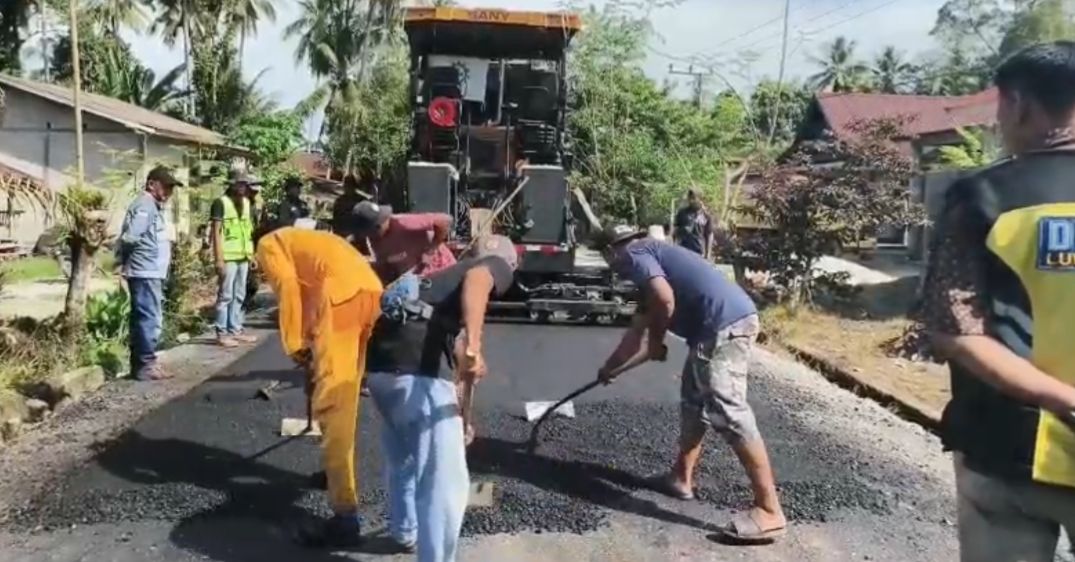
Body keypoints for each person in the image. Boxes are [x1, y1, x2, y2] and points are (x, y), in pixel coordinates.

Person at [921, 42, 1075, 562]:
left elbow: (955, 332)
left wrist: (1065, 401)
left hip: (1006, 449)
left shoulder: (981, 198)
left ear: (1019, 105)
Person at [592, 224, 786, 544]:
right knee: (693, 402)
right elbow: (636, 332)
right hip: (714, 331)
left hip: (723, 326)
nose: (614, 267)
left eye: (608, 258)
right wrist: (609, 368)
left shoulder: (636, 254)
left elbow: (664, 301)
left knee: (729, 411)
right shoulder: (653, 263)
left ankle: (770, 510)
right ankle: (681, 478)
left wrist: (656, 342)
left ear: (612, 251)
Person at [365, 234, 517, 561]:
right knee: (443, 482)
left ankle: (405, 532)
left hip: (380, 371)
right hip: (415, 372)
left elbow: (461, 365)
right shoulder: (491, 265)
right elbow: (478, 282)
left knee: (403, 456)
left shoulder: (440, 284)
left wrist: (463, 417)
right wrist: (475, 345)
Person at [256, 227, 383, 547]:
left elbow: (286, 287)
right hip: (369, 291)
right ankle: (333, 471)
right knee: (347, 388)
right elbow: (309, 289)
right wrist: (314, 338)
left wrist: (296, 344)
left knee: (334, 401)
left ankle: (345, 516)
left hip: (341, 297)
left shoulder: (267, 245)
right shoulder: (304, 243)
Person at [115, 166, 183, 381]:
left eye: (171, 188)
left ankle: (145, 363)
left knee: (148, 317)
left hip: (151, 270)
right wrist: (123, 264)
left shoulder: (152, 206)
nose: (169, 192)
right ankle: (145, 365)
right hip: (145, 270)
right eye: (166, 186)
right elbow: (130, 237)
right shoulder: (145, 205)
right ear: (152, 183)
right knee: (149, 318)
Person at [209, 170, 260, 347]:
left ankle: (235, 329)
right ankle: (222, 333)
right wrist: (218, 259)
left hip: (243, 256)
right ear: (231, 184)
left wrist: (252, 255)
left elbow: (248, 232)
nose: (242, 188)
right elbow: (216, 233)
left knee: (239, 294)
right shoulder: (220, 203)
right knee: (225, 295)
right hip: (228, 257)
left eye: (245, 185)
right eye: (239, 184)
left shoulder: (247, 204)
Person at [351, 201, 456, 283]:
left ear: (378, 227)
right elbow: (386, 263)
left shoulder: (404, 223)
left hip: (441, 272)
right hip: (416, 281)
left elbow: (445, 221)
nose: (370, 237)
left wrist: (430, 251)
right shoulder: (374, 241)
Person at [673, 188, 713, 259]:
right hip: (683, 251)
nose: (691, 200)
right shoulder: (682, 213)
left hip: (700, 252)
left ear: (700, 199)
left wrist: (708, 253)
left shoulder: (706, 215)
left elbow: (709, 235)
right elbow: (675, 231)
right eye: (690, 198)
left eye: (694, 198)